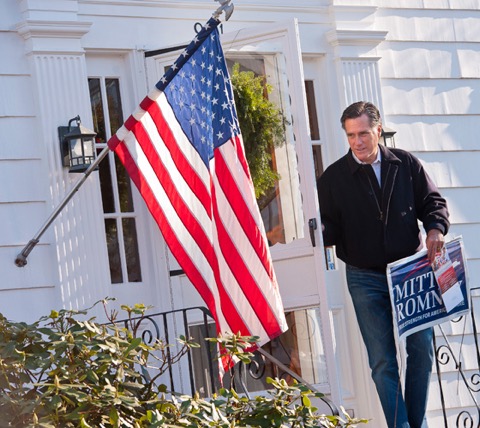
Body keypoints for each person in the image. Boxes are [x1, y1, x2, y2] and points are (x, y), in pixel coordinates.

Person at [317, 101, 449, 428]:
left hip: (411, 272)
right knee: (382, 363)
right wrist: (318, 233)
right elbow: (328, 225)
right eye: (350, 136)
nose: (357, 142)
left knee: (421, 352)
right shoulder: (333, 178)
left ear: (378, 129)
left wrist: (435, 229)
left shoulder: (404, 164)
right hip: (364, 277)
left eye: (363, 133)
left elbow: (433, 203)